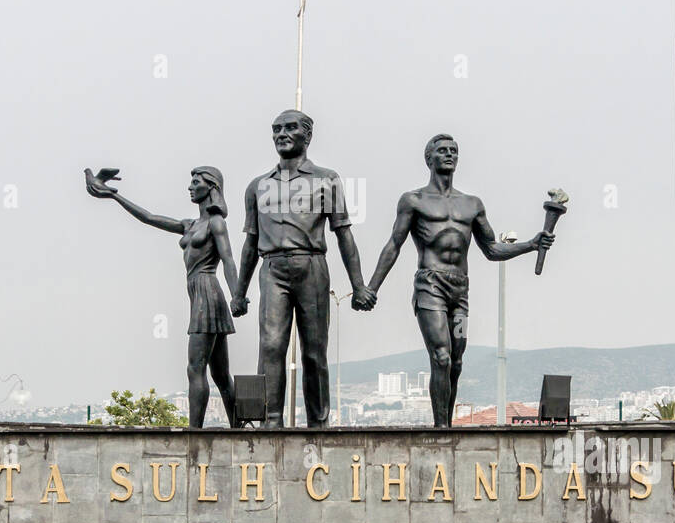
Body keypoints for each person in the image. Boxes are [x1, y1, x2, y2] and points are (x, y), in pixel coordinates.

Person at [363, 135, 554, 427]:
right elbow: (394, 245)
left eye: (454, 151)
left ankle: (448, 424)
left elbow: (492, 249)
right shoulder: (413, 200)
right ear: (429, 158)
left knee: (456, 360)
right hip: (431, 286)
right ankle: (442, 430)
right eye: (442, 151)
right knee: (441, 356)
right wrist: (371, 288)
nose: (449, 154)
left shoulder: (472, 204)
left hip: (459, 290)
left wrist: (530, 244)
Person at [232, 110, 373, 427]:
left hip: (312, 266)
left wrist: (359, 285)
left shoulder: (326, 179)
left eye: (290, 128)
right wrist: (239, 292)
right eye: (276, 129)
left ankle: (318, 421)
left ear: (307, 135)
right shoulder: (257, 186)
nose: (281, 134)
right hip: (272, 269)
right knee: (270, 345)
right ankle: (270, 419)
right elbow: (250, 242)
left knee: (314, 350)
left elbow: (343, 233)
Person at [85, 165, 239, 428]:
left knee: (196, 367)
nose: (190, 186)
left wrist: (237, 295)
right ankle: (238, 427)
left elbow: (228, 260)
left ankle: (195, 431)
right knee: (220, 374)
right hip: (199, 295)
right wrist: (114, 196)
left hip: (207, 294)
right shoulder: (188, 225)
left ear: (211, 187)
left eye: (196, 182)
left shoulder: (216, 223)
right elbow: (148, 217)